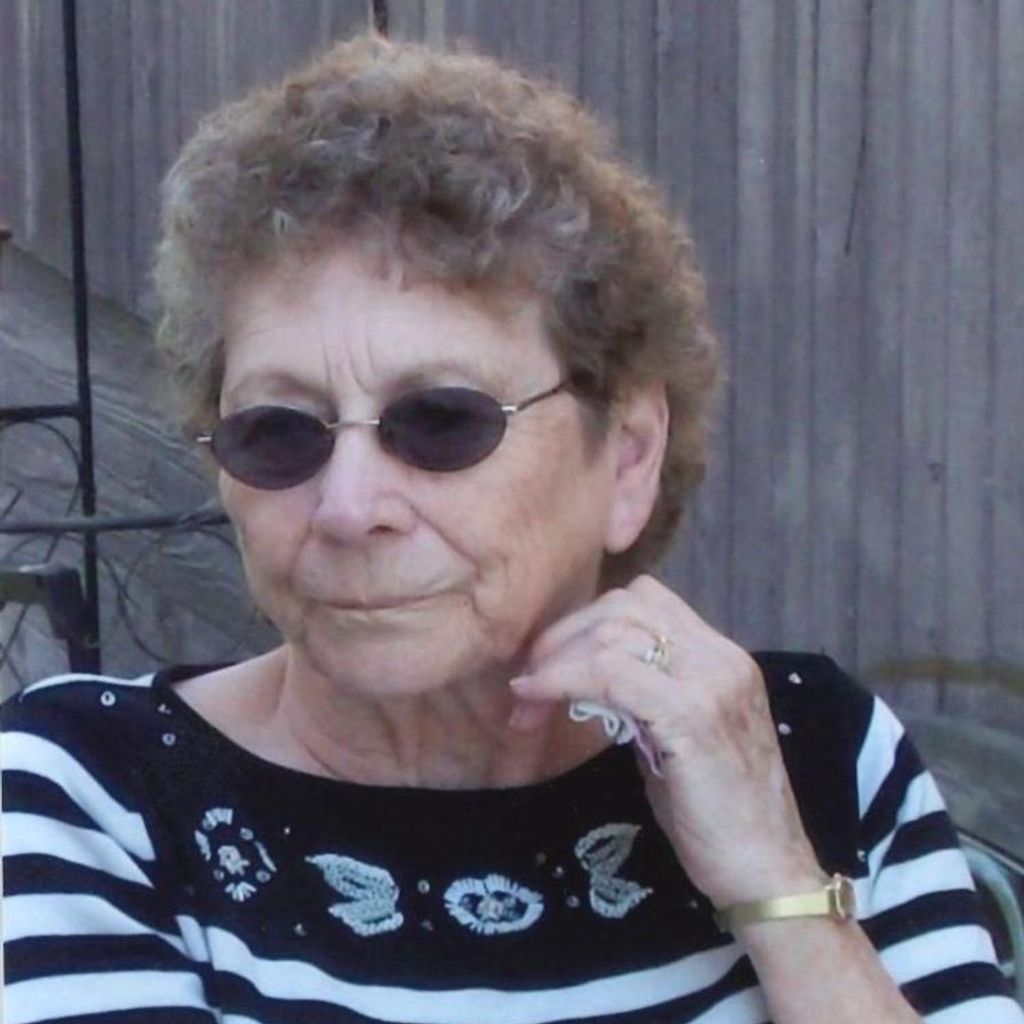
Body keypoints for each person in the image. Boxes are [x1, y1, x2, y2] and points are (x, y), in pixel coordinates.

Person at [2, 32, 1020, 1024]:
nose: (349, 507)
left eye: (442, 422)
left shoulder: (812, 756)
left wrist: (783, 892)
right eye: (278, 431)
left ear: (627, 456)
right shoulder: (91, 793)